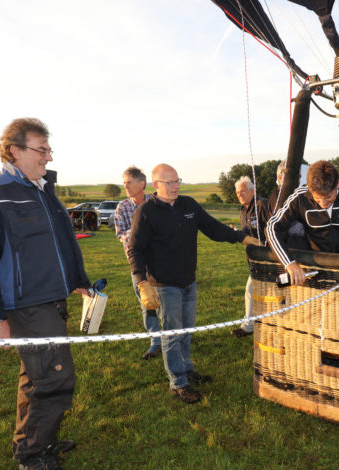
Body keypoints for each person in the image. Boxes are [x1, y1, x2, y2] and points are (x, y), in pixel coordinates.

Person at [0, 118, 91, 470]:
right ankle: (34, 455)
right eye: (42, 149)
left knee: (36, 376)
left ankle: (35, 440)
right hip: (27, 305)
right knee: (55, 378)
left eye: (49, 149)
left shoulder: (43, 190)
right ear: (14, 151)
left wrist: (78, 278)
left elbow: (64, 241)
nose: (48, 157)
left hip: (52, 300)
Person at [127, 164, 259, 404]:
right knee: (172, 334)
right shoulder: (145, 212)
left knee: (187, 330)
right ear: (156, 185)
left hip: (189, 281)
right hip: (164, 285)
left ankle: (187, 369)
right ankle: (178, 382)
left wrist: (241, 237)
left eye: (177, 181)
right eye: (169, 182)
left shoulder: (189, 205)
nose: (175, 186)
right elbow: (135, 249)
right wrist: (141, 282)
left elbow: (213, 227)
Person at [266, 160, 339, 286]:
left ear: (338, 183)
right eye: (317, 199)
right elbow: (271, 227)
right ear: (310, 189)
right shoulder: (300, 197)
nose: (323, 204)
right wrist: (289, 263)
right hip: (316, 273)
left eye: (328, 198)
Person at [114, 166, 162, 359]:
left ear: (142, 184)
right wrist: (140, 234)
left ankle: (172, 337)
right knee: (147, 304)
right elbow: (120, 234)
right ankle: (156, 342)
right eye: (124, 183)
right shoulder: (122, 207)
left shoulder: (157, 203)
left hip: (160, 262)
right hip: (138, 265)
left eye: (129, 183)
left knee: (166, 301)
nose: (125, 186)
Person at [231, 176, 270, 338]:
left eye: (243, 191)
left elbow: (273, 227)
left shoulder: (262, 205)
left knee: (251, 289)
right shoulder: (243, 210)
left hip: (268, 258)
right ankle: (263, 322)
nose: (240, 195)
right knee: (261, 291)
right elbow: (247, 234)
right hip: (253, 259)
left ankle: (249, 326)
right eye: (237, 192)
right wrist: (236, 233)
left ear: (252, 191)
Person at [267, 160, 308, 249]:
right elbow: (284, 225)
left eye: (299, 176)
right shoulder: (277, 197)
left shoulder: (296, 196)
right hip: (289, 248)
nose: (298, 180)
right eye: (294, 177)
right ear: (280, 177)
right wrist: (310, 230)